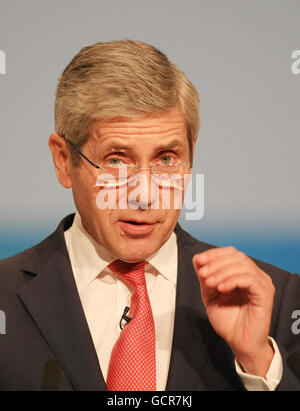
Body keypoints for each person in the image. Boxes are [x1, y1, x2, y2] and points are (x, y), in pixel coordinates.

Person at [0, 40, 299, 391]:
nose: (144, 194)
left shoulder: (278, 300)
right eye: (116, 160)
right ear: (64, 160)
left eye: (166, 159)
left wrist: (257, 362)